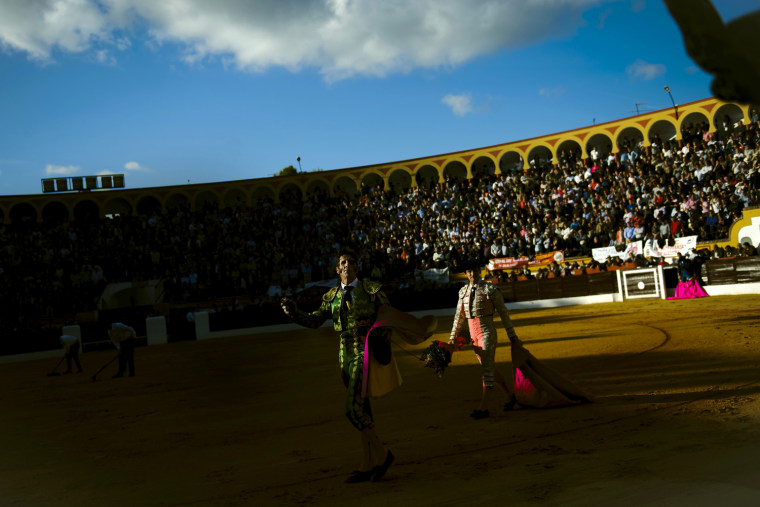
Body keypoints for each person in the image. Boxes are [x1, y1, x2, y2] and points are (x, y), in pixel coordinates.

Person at [281, 250, 395, 483]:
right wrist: (295, 313)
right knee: (362, 410)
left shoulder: (371, 289)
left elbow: (388, 316)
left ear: (357, 267)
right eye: (343, 262)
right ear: (336, 269)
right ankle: (367, 464)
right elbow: (314, 321)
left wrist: (384, 335)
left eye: (352, 262)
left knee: (351, 410)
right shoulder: (331, 296)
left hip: (365, 351)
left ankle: (383, 455)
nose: (347, 265)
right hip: (344, 354)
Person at [449, 259, 521, 419]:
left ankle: (484, 407)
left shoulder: (490, 289)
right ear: (466, 273)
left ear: (479, 271)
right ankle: (510, 398)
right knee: (491, 369)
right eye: (469, 271)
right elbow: (458, 317)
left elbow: (503, 313)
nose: (472, 273)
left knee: (487, 371)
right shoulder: (463, 292)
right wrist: (451, 338)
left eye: (474, 270)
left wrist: (512, 335)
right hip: (474, 338)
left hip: (487, 332)